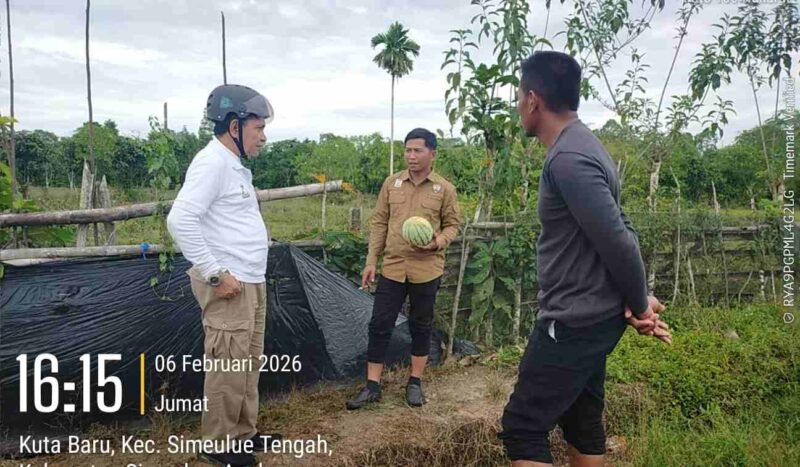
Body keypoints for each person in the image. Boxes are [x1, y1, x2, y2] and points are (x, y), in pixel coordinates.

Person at [498, 51, 671, 467]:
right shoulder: (585, 146)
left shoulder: (570, 159)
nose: (519, 104)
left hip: (573, 320)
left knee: (522, 427)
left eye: (519, 96)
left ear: (534, 99)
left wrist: (640, 301)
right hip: (594, 316)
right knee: (581, 416)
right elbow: (619, 227)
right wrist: (635, 299)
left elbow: (618, 241)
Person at [167, 84, 276, 467]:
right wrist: (215, 273)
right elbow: (180, 220)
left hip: (249, 281)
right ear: (234, 127)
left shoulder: (234, 166)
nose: (263, 136)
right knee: (228, 367)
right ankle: (218, 444)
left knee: (247, 366)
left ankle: (242, 434)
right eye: (258, 128)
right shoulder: (211, 162)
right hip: (230, 285)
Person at [346, 128, 460, 410]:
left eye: (417, 150)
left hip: (427, 268)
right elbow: (379, 223)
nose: (411, 156)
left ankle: (415, 383)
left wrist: (437, 242)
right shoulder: (392, 183)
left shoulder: (444, 189)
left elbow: (453, 225)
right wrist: (371, 261)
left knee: (421, 326)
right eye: (407, 150)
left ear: (432, 153)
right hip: (393, 267)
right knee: (379, 324)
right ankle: (372, 386)